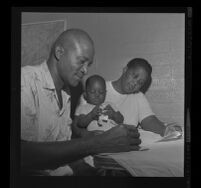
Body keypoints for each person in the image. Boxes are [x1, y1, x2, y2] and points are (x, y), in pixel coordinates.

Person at [21, 29, 141, 176]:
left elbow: (62, 151)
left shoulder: (66, 93)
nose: (85, 70)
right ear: (59, 52)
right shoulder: (25, 81)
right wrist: (97, 143)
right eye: (81, 61)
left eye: (88, 64)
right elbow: (21, 153)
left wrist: (93, 172)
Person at [77, 58, 182, 138]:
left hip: (124, 149)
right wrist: (90, 136)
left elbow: (149, 121)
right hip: (96, 147)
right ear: (125, 70)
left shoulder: (138, 97)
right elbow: (76, 125)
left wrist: (166, 129)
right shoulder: (98, 89)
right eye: (134, 76)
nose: (134, 84)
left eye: (140, 83)